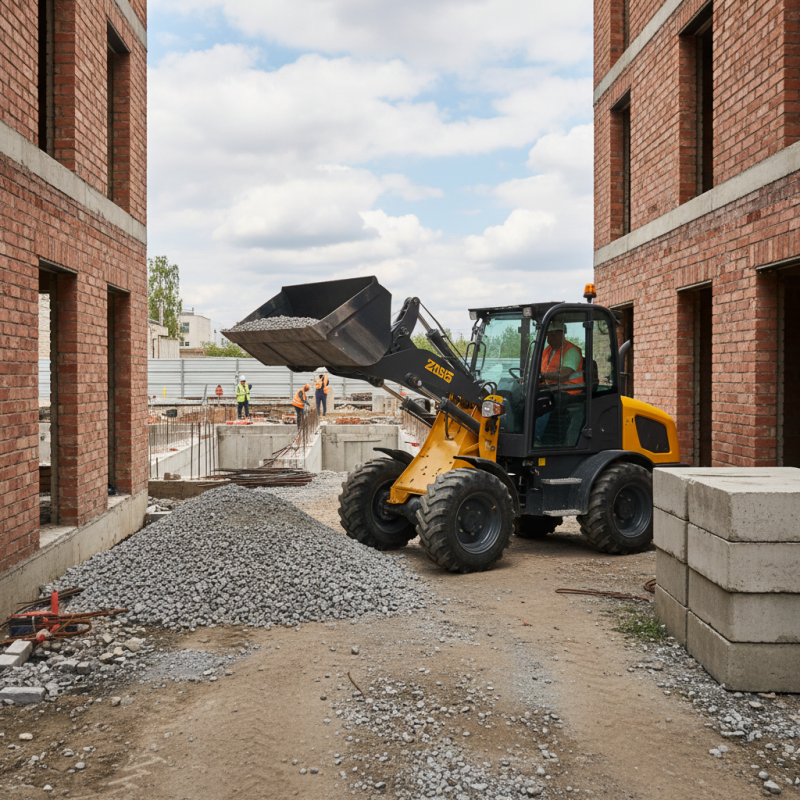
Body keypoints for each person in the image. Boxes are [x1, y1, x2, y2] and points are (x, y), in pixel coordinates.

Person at [534, 321, 584, 442]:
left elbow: (564, 375)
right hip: (552, 388)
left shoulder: (571, 351)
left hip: (570, 391)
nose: (549, 338)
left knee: (544, 402)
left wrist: (542, 376)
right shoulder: (547, 351)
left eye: (552, 334)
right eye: (548, 335)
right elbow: (537, 370)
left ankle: (536, 438)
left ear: (561, 334)